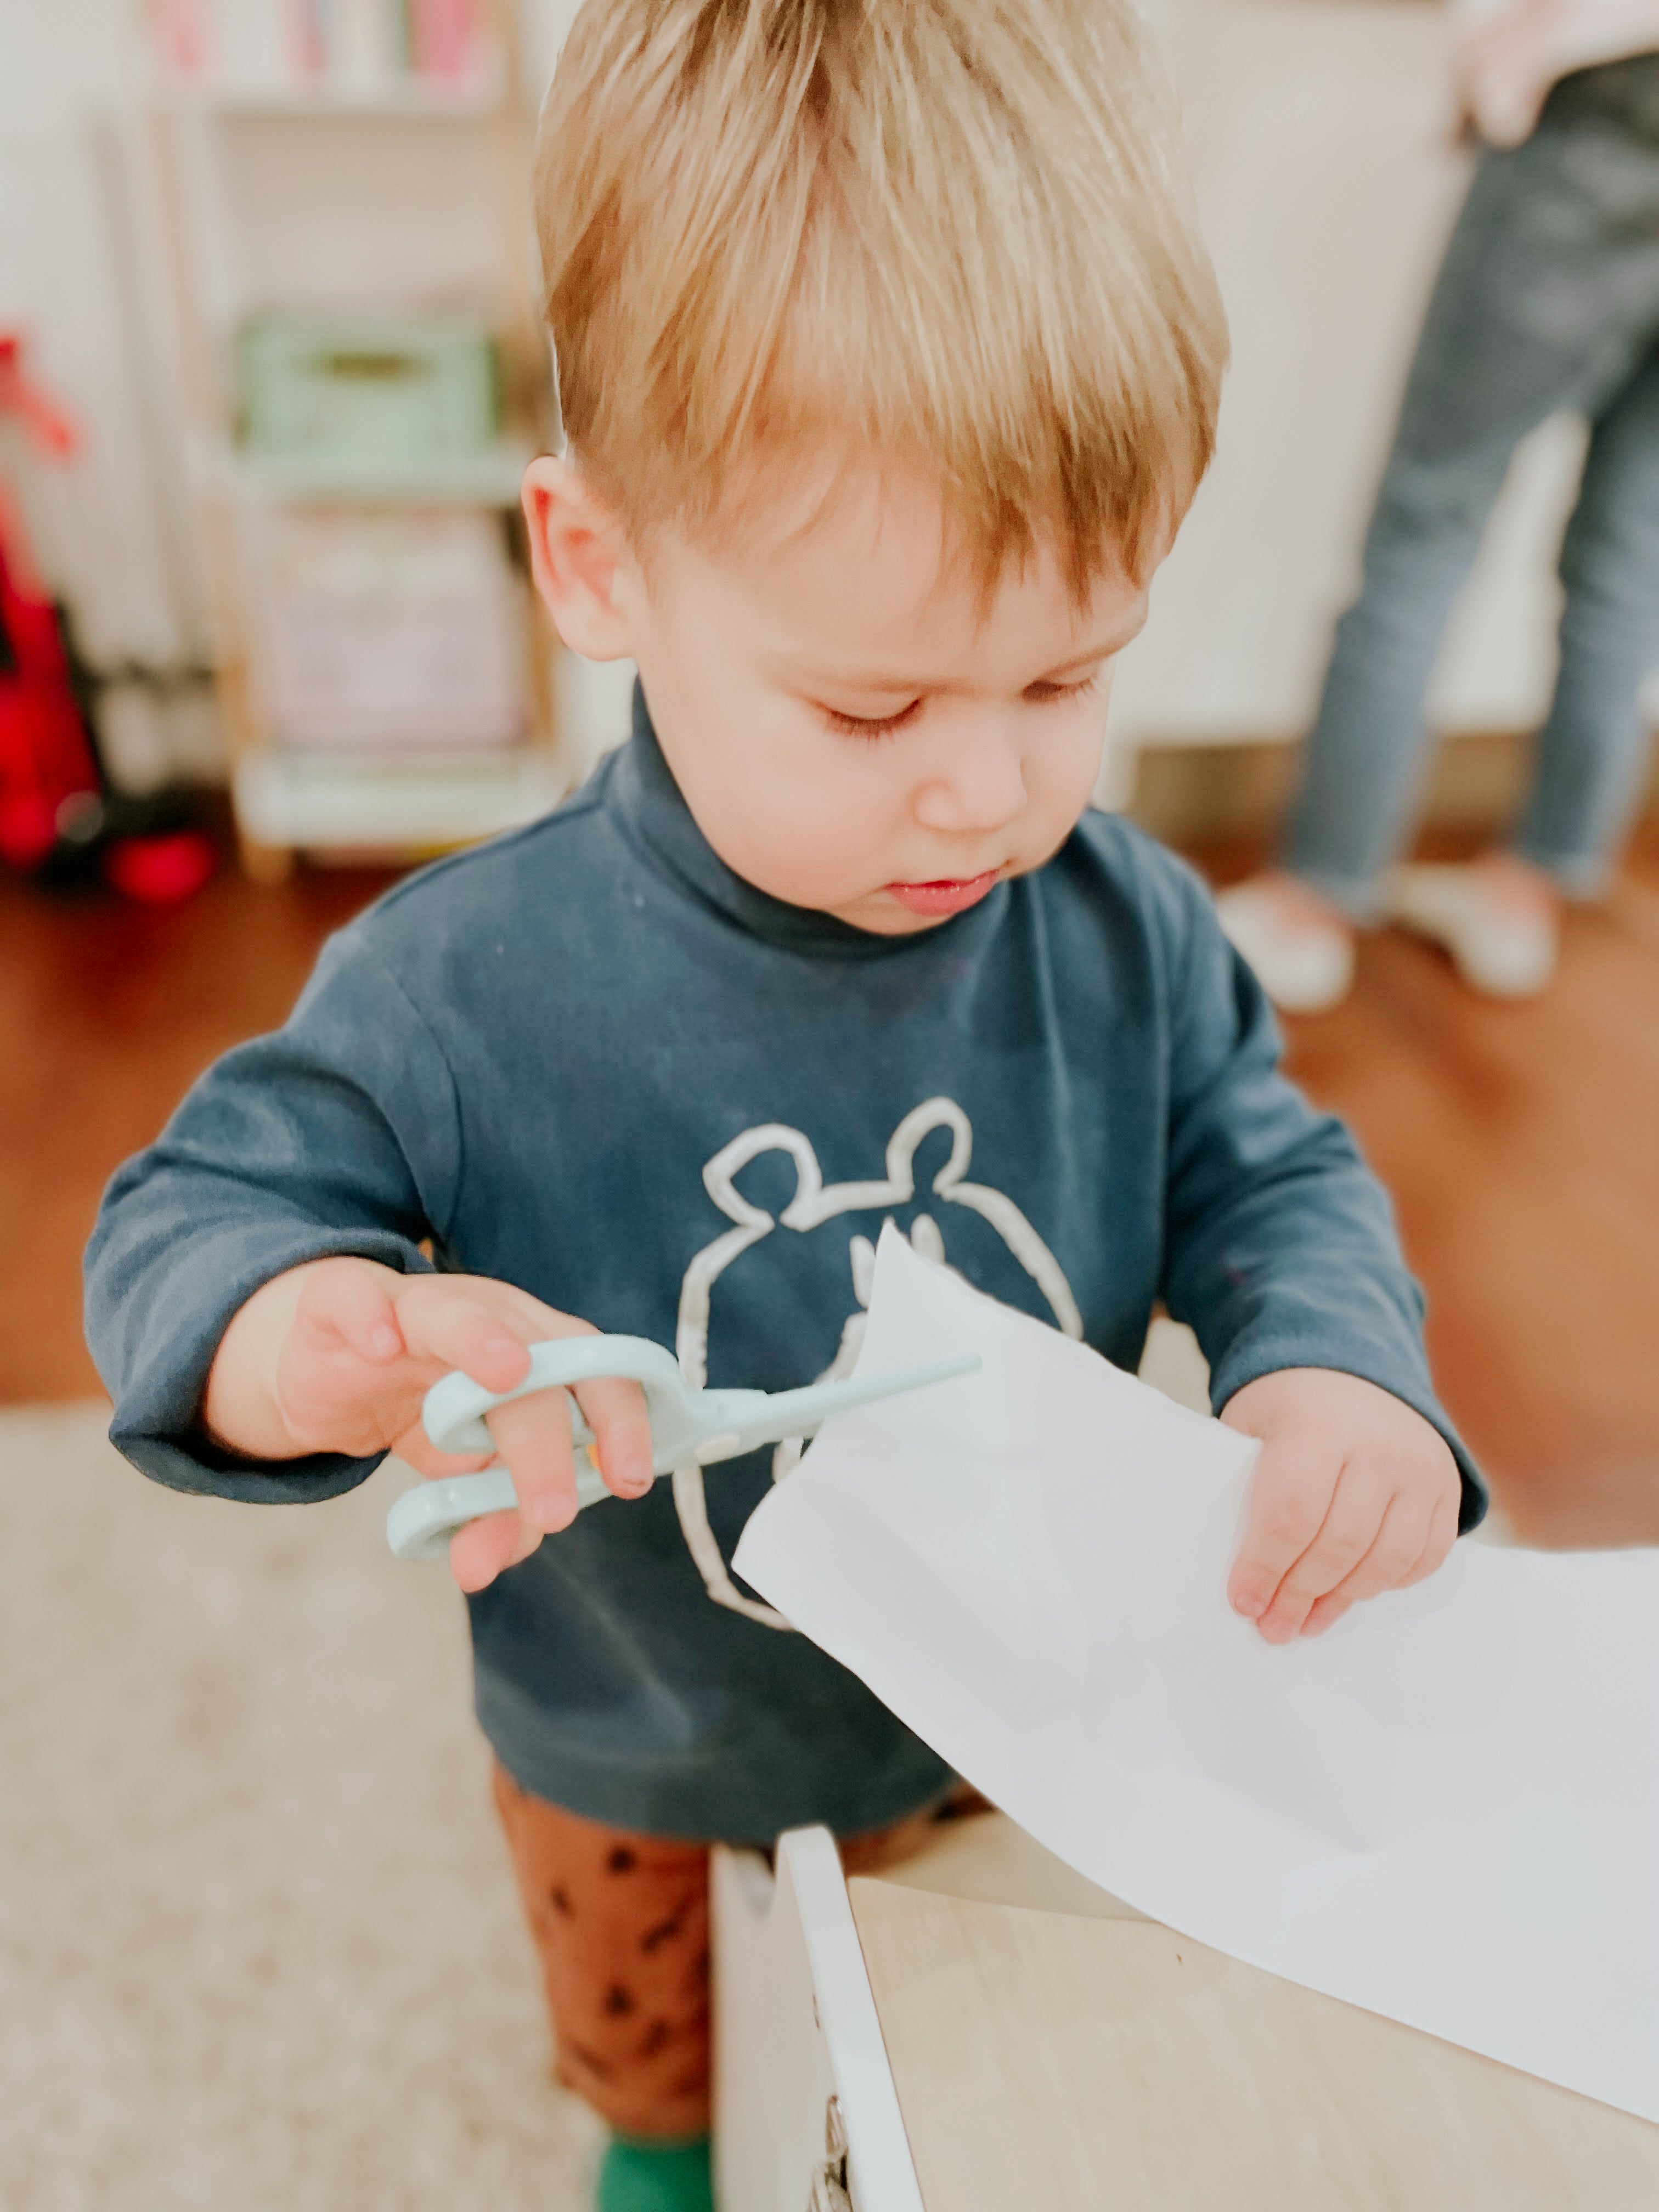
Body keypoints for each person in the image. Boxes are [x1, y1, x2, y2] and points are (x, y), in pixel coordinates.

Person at [84, 4, 1483, 2207]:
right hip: (633, 1747)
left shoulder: (1118, 924)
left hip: (1014, 1714)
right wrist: (318, 1337)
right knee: (662, 2092)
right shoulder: (463, 982)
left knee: (975, 2056)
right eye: (871, 696)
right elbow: (184, 1226)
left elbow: (1266, 1161)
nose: (988, 780)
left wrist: (1338, 1369)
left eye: (1070, 675)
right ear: (600, 564)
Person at [1220, 10, 1659, 1013]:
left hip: (1611, 107)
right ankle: (1528, 892)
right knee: (1631, 557)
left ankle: (1314, 902)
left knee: (1428, 524)